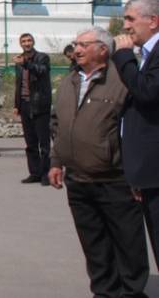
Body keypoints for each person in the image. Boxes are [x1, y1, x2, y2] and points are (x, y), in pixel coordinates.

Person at [49, 26, 149, 297]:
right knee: (94, 244)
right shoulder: (70, 80)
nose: (76, 49)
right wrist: (56, 161)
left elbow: (133, 129)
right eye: (75, 44)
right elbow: (58, 124)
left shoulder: (121, 81)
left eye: (83, 44)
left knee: (128, 244)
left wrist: (136, 174)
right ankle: (104, 291)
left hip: (114, 180)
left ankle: (132, 292)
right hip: (78, 180)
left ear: (103, 49)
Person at [112, 0, 159, 269]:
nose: (126, 25)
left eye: (131, 18)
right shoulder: (146, 56)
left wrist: (124, 58)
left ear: (152, 21)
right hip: (148, 171)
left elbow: (147, 92)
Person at [13, 32, 52, 185]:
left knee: (44, 143)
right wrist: (16, 105)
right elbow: (18, 84)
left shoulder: (42, 57)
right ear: (20, 44)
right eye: (24, 41)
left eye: (29, 40)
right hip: (25, 104)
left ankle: (46, 174)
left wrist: (26, 64)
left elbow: (41, 71)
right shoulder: (19, 60)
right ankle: (34, 172)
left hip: (40, 104)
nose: (27, 43)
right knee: (30, 143)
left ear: (33, 42)